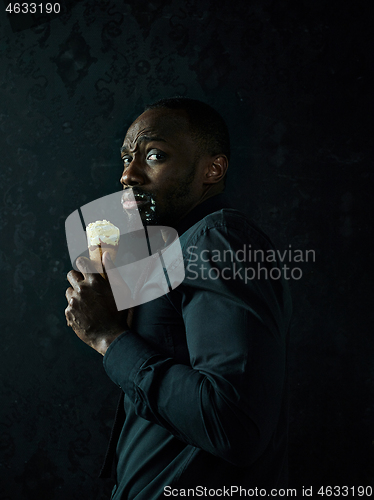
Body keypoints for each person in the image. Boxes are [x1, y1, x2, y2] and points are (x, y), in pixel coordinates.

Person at [65, 97, 292, 499]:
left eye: (154, 155)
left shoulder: (217, 239)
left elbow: (234, 425)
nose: (128, 175)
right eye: (125, 159)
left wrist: (109, 338)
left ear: (212, 169)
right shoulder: (174, 254)